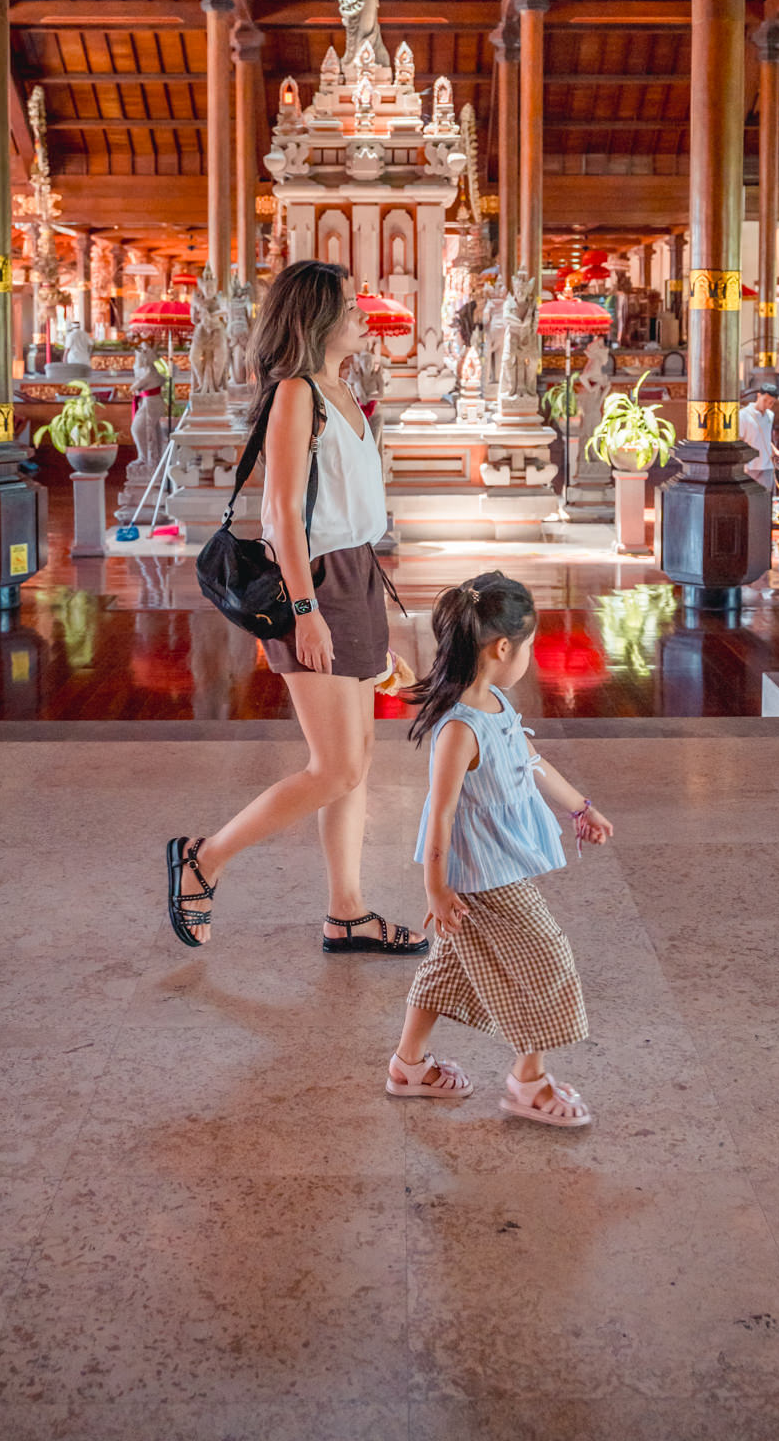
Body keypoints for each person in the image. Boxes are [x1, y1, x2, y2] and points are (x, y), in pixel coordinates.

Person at [165, 260, 427, 957]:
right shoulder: (295, 393)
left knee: (357, 761)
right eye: (349, 307)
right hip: (311, 582)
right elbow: (281, 511)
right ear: (316, 319)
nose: (363, 316)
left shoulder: (344, 391)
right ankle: (204, 860)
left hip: (356, 575)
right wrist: (306, 611)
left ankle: (348, 913)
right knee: (334, 766)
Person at [386, 572, 613, 1127]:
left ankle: (407, 1067)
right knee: (546, 959)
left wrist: (579, 806)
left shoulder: (495, 703)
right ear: (503, 648)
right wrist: (436, 890)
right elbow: (440, 815)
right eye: (529, 644)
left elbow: (529, 761)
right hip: (483, 874)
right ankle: (527, 1083)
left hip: (495, 861)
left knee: (450, 966)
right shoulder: (459, 729)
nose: (529, 656)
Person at [739, 384, 777, 493]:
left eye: (771, 402)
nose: (767, 405)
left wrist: (775, 451)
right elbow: (739, 441)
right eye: (765, 400)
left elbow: (765, 437)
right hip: (750, 467)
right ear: (759, 395)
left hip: (767, 466)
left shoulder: (770, 415)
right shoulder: (743, 415)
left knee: (766, 498)